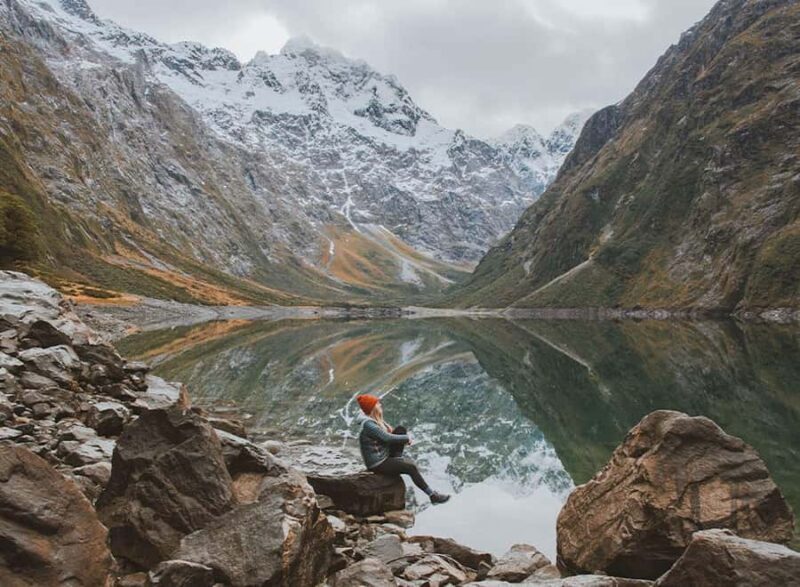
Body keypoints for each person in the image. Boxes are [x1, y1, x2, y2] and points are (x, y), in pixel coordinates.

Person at [356, 394, 450, 504]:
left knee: (400, 430)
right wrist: (406, 439)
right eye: (377, 403)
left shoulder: (372, 420)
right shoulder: (368, 425)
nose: (380, 405)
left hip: (383, 455)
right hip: (378, 463)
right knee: (411, 468)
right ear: (372, 408)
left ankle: (396, 459)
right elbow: (387, 438)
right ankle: (432, 495)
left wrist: (402, 437)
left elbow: (389, 434)